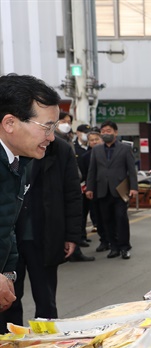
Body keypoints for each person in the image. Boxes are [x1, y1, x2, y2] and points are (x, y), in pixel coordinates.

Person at [0, 73, 60, 330]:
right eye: (47, 127)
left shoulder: (17, 163)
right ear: (10, 123)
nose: (52, 137)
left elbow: (8, 226)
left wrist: (8, 272)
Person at [3, 133, 83, 326]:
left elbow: (72, 195)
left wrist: (72, 235)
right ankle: (11, 345)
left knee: (45, 298)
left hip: (46, 235)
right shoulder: (9, 145)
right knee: (8, 299)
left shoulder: (59, 149)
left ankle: (48, 345)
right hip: (10, 238)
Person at [85, 120, 138, 260]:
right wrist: (90, 188)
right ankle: (113, 247)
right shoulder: (96, 150)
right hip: (102, 190)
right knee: (106, 220)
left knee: (121, 218)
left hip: (120, 190)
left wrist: (134, 188)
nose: (105, 133)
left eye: (108, 131)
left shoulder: (125, 149)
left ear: (115, 132)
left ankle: (124, 247)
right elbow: (92, 170)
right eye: (103, 131)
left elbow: (131, 170)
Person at [81, 131, 109, 251]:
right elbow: (85, 174)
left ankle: (114, 239)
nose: (94, 142)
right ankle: (104, 240)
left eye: (96, 139)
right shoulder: (85, 157)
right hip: (94, 191)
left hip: (109, 190)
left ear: (102, 139)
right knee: (98, 217)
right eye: (91, 140)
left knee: (110, 217)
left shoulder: (109, 153)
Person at [74, 124, 92, 247]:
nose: (87, 134)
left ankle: (84, 235)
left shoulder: (92, 148)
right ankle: (79, 237)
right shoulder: (73, 148)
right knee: (79, 212)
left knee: (88, 211)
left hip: (90, 185)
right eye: (85, 132)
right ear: (78, 133)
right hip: (78, 185)